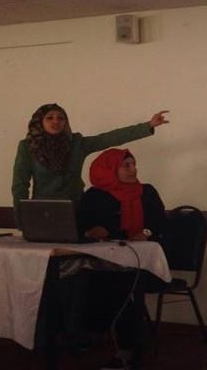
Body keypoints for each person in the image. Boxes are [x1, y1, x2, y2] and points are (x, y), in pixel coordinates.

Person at [78, 148, 167, 370]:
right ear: (109, 170)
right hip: (102, 262)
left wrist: (146, 232)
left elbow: (160, 223)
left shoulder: (147, 192)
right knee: (76, 280)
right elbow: (78, 225)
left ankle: (127, 352)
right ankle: (83, 337)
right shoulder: (94, 195)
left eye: (133, 164)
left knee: (116, 286)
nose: (132, 169)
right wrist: (90, 232)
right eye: (126, 165)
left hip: (143, 264)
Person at [11, 103, 169, 226]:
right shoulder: (28, 147)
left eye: (61, 118)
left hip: (75, 210)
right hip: (42, 211)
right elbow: (20, 185)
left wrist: (148, 126)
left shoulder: (76, 143)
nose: (56, 121)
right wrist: (22, 219)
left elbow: (109, 138)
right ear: (40, 121)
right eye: (50, 118)